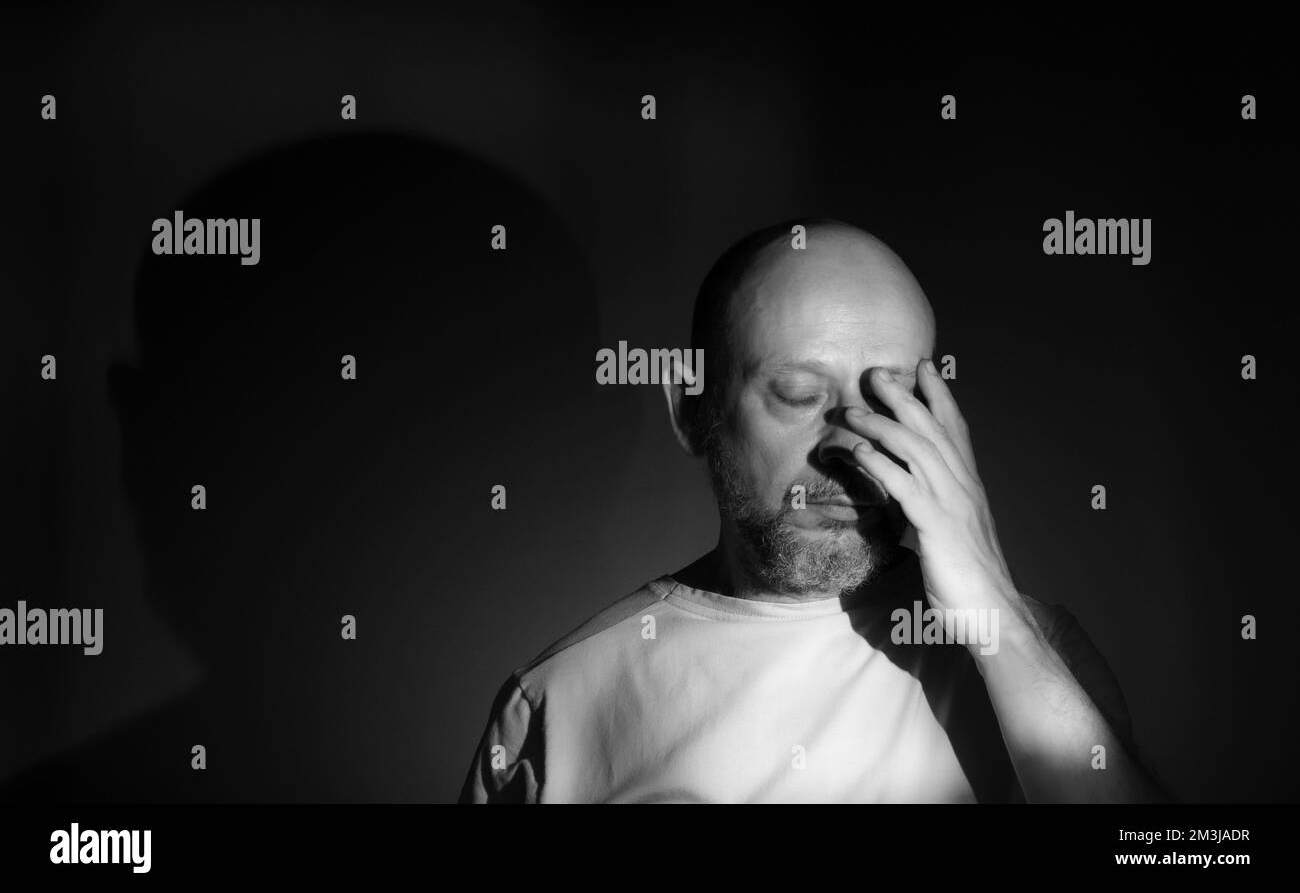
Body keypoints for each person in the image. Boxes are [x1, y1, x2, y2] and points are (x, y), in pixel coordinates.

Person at [459, 217, 1167, 803]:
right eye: (799, 395)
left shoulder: (1036, 657)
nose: (852, 447)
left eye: (892, 404)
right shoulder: (558, 704)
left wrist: (997, 613)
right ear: (691, 410)